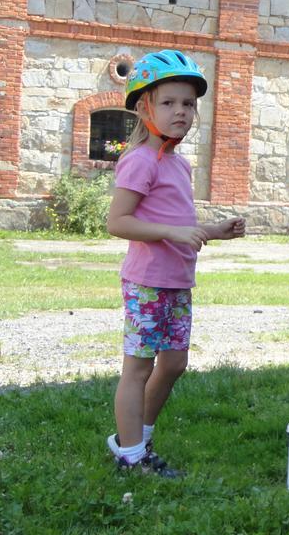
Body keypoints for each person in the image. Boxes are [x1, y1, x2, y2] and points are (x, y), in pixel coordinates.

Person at [105, 49, 246, 476]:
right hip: (147, 282)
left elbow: (176, 222)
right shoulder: (141, 161)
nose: (181, 112)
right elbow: (118, 222)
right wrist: (174, 233)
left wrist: (213, 229)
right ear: (145, 107)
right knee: (139, 367)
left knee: (174, 364)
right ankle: (130, 453)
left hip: (177, 282)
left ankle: (138, 439)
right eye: (169, 103)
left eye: (188, 104)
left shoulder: (178, 164)